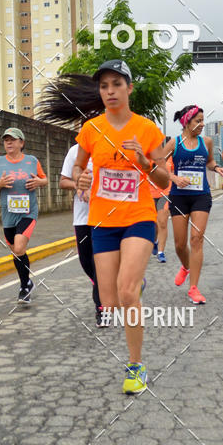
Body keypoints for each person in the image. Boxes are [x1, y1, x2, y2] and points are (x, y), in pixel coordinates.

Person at [36, 60, 170, 395]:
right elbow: (79, 167)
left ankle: (136, 367)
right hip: (102, 221)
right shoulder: (91, 130)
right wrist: (81, 178)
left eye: (116, 84)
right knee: (109, 303)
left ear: (129, 88)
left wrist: (144, 162)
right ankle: (133, 284)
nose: (109, 91)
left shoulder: (146, 129)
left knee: (126, 292)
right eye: (104, 86)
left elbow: (164, 179)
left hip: (139, 217)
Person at [163, 105, 223, 305]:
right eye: (198, 121)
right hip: (179, 196)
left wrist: (217, 168)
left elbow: (209, 162)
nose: (202, 124)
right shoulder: (175, 143)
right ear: (186, 122)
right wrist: (174, 178)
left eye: (203, 120)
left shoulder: (206, 141)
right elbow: (157, 166)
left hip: (201, 195)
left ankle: (194, 288)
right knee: (180, 244)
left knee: (196, 239)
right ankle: (185, 266)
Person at [0, 127, 48, 302]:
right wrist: (0, 184)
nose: (9, 142)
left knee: (20, 247)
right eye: (6, 140)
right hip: (8, 215)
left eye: (13, 139)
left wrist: (38, 182)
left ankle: (23, 287)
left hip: (28, 212)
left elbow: (44, 179)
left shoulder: (31, 161)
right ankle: (27, 283)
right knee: (16, 252)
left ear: (22, 143)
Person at [60, 143, 103, 327]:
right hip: (82, 218)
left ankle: (101, 307)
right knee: (86, 261)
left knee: (99, 263)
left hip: (105, 217)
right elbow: (63, 181)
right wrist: (78, 185)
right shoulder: (75, 151)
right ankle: (108, 287)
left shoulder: (109, 147)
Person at [149, 135, 173, 263]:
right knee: (153, 223)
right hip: (148, 195)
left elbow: (173, 174)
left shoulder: (169, 157)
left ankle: (161, 252)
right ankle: (154, 241)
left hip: (165, 194)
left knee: (162, 222)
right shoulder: (146, 156)